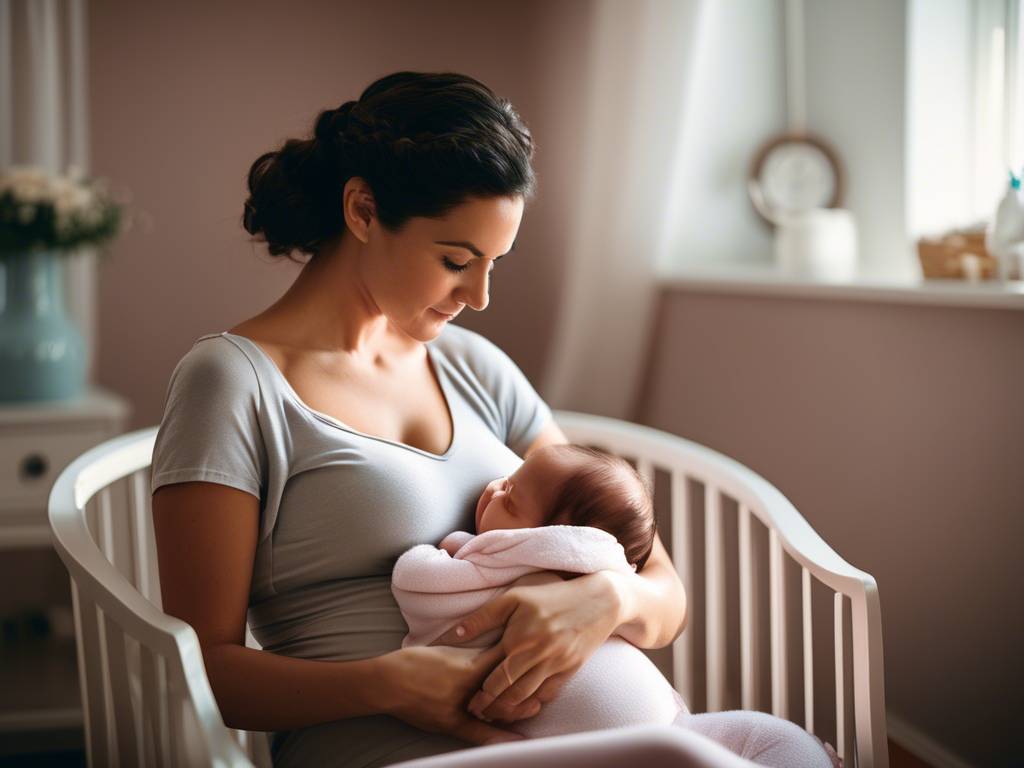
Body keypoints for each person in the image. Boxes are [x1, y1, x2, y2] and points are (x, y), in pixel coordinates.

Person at [150, 71, 691, 768]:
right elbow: (201, 668)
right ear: (363, 210)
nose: (481, 294)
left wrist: (610, 600)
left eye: (494, 263)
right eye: (457, 260)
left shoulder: (475, 367)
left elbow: (666, 595)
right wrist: (385, 685)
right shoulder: (232, 384)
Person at [391, 444, 840, 767]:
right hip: (592, 752)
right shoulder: (510, 564)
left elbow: (413, 578)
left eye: (511, 497)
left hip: (678, 726)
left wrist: (444, 550)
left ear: (555, 537)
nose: (495, 487)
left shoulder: (531, 561)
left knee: (780, 739)